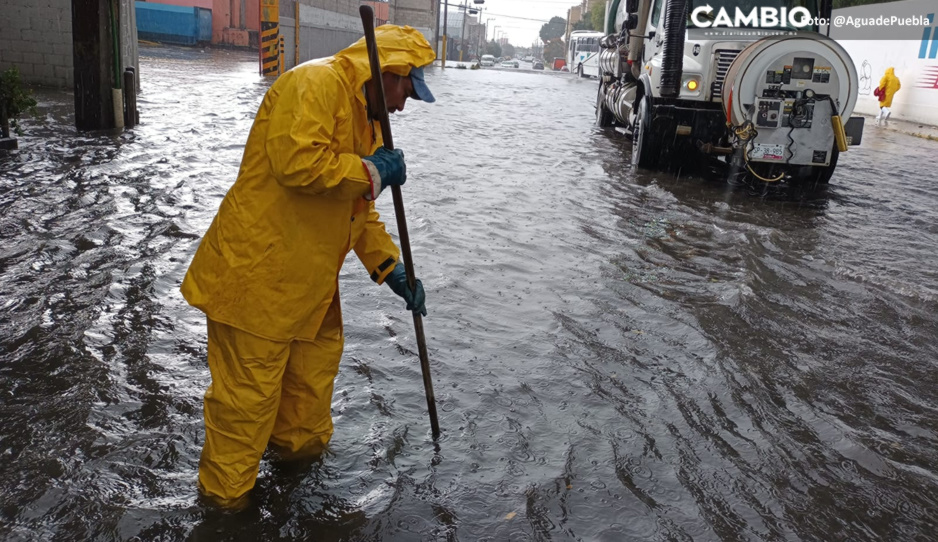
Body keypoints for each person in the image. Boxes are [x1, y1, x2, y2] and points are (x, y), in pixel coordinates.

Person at [180, 25, 436, 509]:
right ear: (388, 72)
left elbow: (357, 212)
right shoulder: (314, 85)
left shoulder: (370, 123)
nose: (404, 106)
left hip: (310, 291)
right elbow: (298, 164)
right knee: (243, 417)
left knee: (304, 421)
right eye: (406, 89)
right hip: (256, 283)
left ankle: (295, 492)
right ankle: (223, 516)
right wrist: (373, 171)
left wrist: (392, 270)